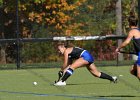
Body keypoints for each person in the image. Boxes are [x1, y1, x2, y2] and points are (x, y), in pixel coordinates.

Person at [115, 16, 140, 80]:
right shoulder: (138, 30)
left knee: (139, 75)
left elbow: (126, 42)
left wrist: (118, 48)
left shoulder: (132, 31)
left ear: (129, 23)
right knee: (132, 70)